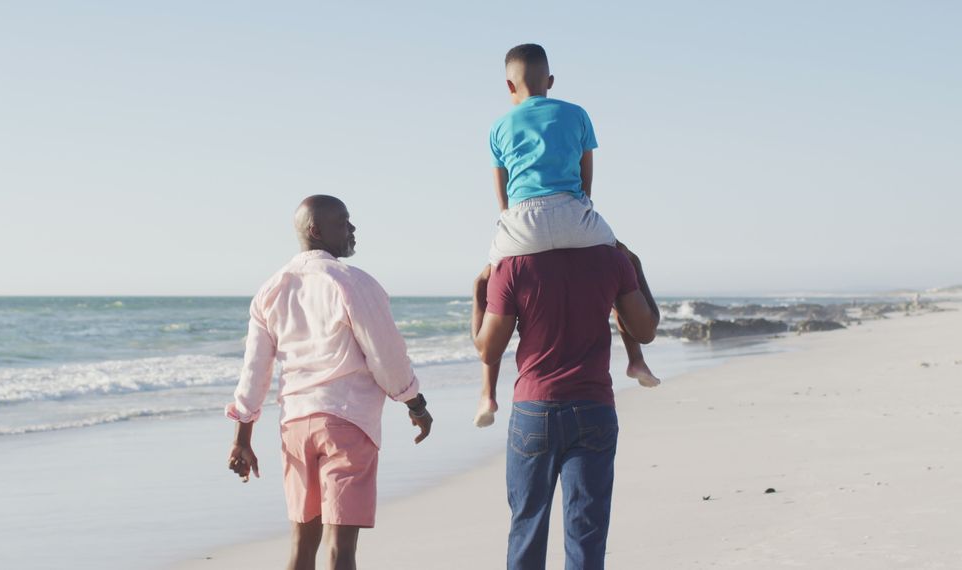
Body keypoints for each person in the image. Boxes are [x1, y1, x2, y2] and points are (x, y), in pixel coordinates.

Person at [225, 195, 433, 570]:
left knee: (302, 546)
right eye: (344, 222)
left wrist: (243, 438)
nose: (352, 229)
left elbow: (255, 371)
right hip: (347, 423)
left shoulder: (270, 290)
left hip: (295, 427)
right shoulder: (353, 283)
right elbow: (386, 355)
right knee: (341, 549)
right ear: (315, 230)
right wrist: (414, 403)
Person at [474, 43, 659, 429]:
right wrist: (580, 214)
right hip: (575, 213)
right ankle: (636, 359)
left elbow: (502, 196)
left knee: (491, 284)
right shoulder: (577, 115)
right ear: (551, 82)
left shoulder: (498, 126)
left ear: (509, 85)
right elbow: (586, 177)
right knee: (623, 264)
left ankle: (487, 395)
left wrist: (512, 231)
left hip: (522, 223)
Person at [472, 242, 660, 569]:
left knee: (527, 527)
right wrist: (637, 266)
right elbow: (645, 329)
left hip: (533, 410)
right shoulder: (611, 257)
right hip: (593, 407)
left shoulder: (512, 264)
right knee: (586, 534)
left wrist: (478, 295)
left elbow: (488, 350)